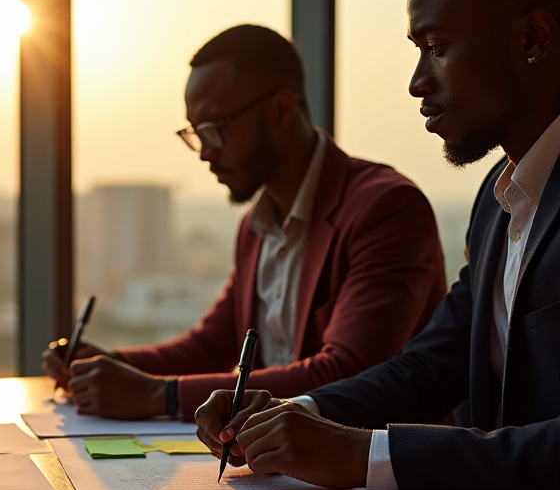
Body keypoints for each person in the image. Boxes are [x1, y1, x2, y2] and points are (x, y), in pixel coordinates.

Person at [196, 0, 560, 490]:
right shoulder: (498, 204)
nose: (418, 81)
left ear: (533, 36)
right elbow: (430, 366)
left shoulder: (412, 203)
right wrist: (290, 414)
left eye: (437, 46)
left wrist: (365, 454)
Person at [44, 24, 446, 419]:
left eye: (214, 128)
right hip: (279, 466)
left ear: (282, 109)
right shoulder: (256, 225)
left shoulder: (385, 208)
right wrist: (109, 364)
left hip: (369, 475)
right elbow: (214, 346)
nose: (205, 153)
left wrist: (160, 396)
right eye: (196, 133)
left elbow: (347, 372)